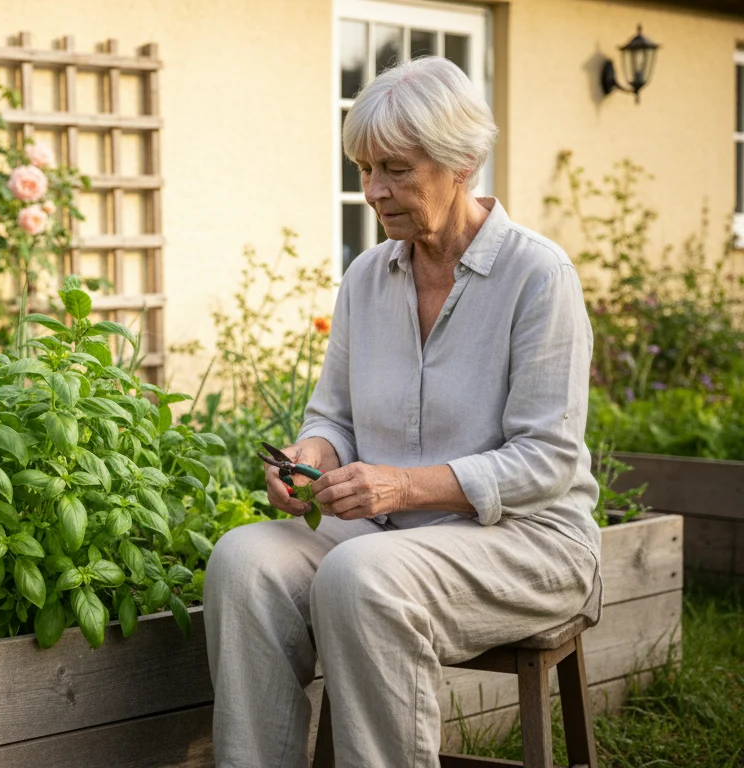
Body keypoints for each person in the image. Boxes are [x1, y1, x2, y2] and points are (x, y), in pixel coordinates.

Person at [204, 56, 601, 768]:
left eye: (394, 169)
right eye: (362, 169)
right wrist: (313, 457)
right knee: (245, 561)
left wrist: (401, 486)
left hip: (526, 542)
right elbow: (331, 414)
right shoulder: (368, 276)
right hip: (388, 537)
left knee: (364, 577)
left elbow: (548, 461)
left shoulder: (539, 277)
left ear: (462, 163)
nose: (372, 192)